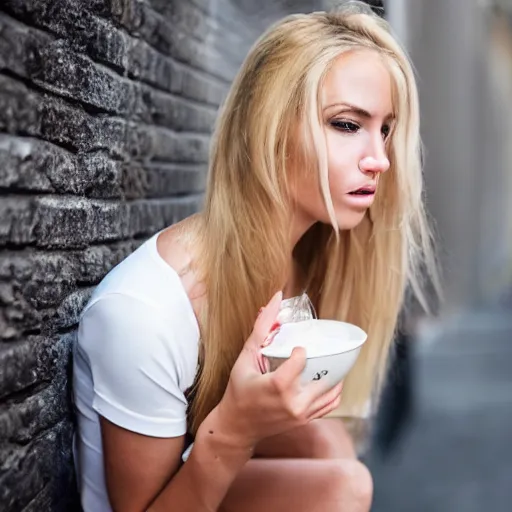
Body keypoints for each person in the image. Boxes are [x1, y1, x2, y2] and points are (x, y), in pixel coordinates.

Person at [72, 3, 439, 511]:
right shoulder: (145, 314)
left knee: (331, 448)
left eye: (385, 130)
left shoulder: (309, 261)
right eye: (348, 125)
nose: (379, 159)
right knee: (343, 489)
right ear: (271, 129)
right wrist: (233, 430)